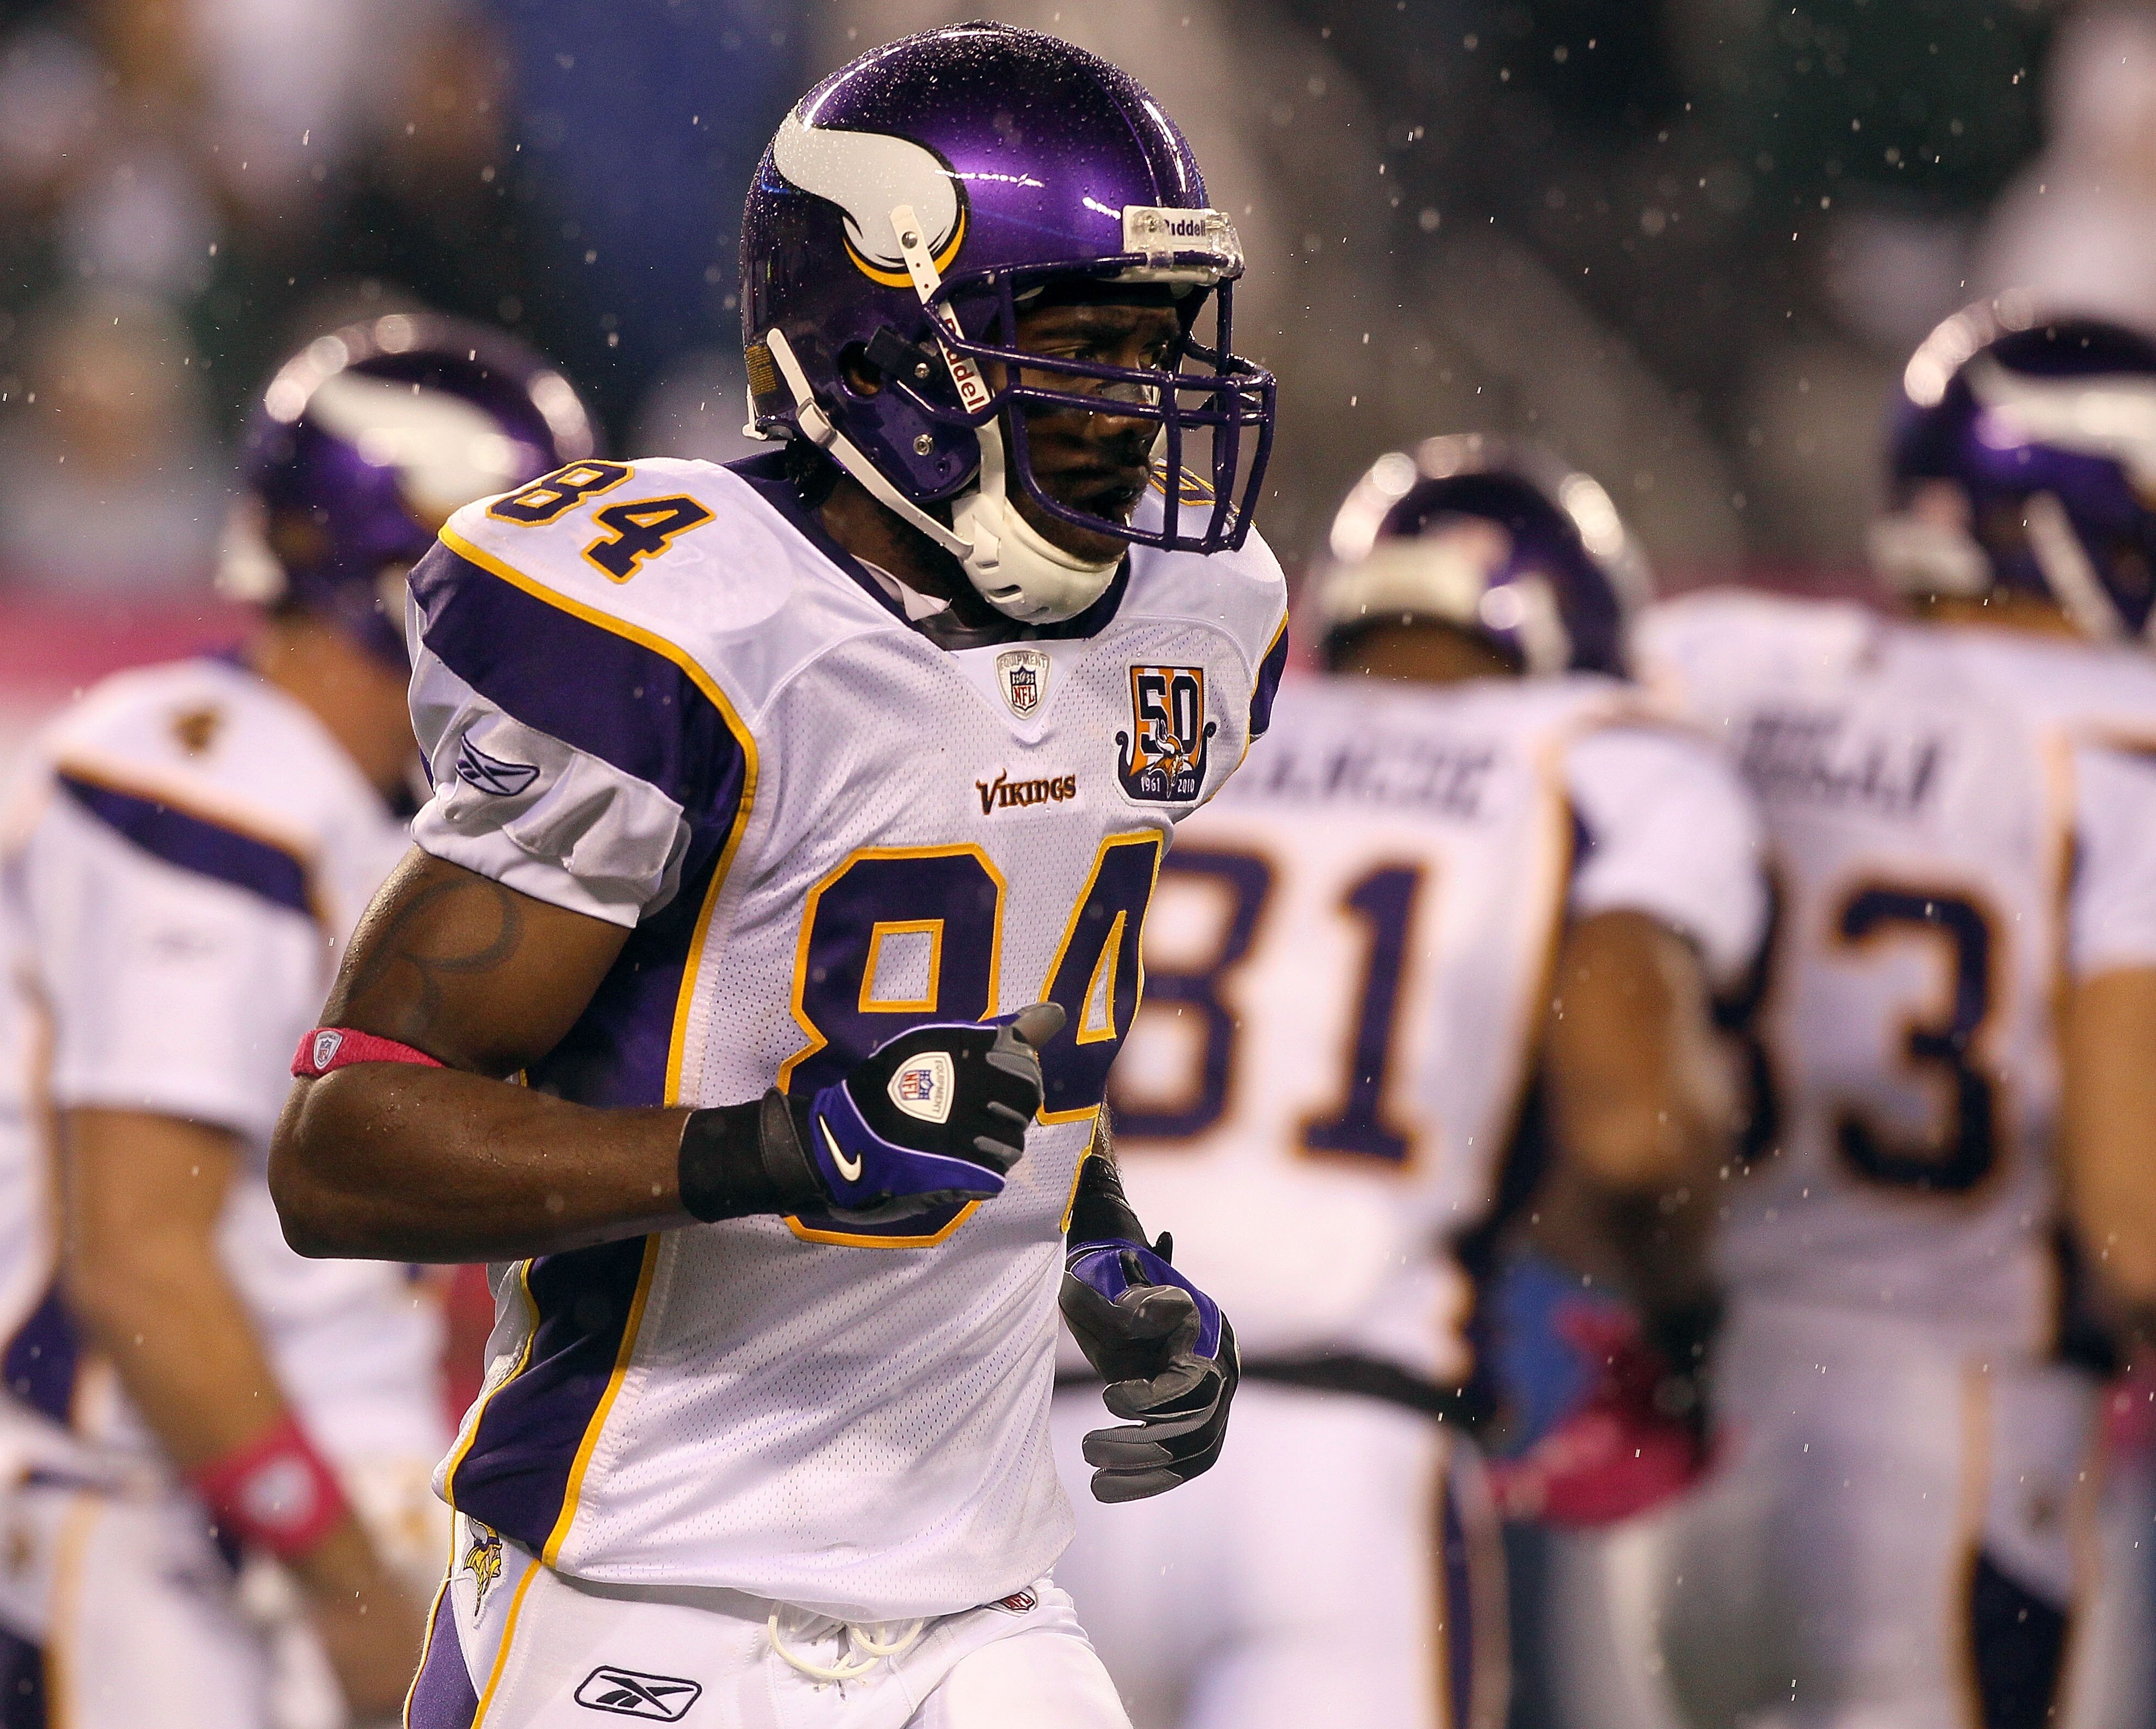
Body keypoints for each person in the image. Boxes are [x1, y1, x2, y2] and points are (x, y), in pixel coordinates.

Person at [265, 24, 1287, 1729]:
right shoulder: (695, 631)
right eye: (1079, 347)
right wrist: (761, 1148)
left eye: (1159, 346)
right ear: (881, 340)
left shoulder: (1199, 616)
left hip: (981, 1599)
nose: (1138, 408)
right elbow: (346, 1143)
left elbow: (1001, 1019)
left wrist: (1092, 1239)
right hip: (641, 1584)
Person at [0, 312, 597, 1729]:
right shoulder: (207, 782)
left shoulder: (386, 809)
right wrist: (342, 1576)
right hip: (174, 1542)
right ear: (413, 580)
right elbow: (140, 1260)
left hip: (305, 1508)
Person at [1052, 436, 1763, 1729]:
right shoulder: (1594, 753)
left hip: (1046, 1452)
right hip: (1341, 1463)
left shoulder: (1173, 730)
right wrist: (1683, 1320)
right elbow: (1633, 1135)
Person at [1637, 300, 2156, 1729]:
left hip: (1702, 1447)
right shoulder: (2116, 748)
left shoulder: (1723, 669)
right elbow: (2134, 1217)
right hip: (1958, 1459)